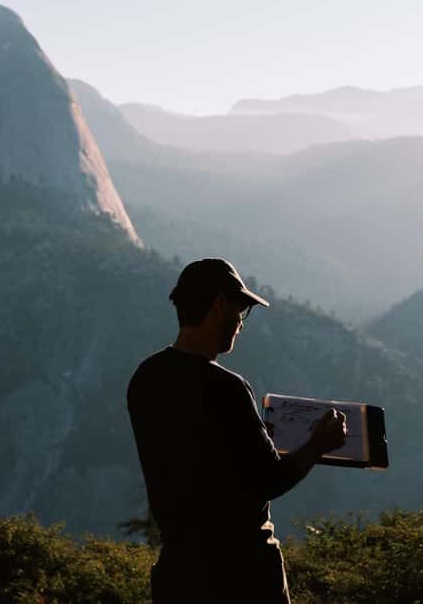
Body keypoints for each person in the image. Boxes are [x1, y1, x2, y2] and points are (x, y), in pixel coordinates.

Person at [127, 257, 347, 603]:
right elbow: (269, 480)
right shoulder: (226, 387)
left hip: (178, 573)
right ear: (219, 304)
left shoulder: (145, 378)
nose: (241, 324)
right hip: (243, 573)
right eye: (241, 309)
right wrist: (317, 444)